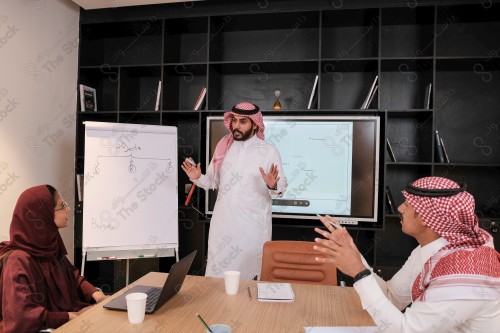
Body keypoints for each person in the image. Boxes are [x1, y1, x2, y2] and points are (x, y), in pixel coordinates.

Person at [313, 176, 500, 332]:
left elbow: (406, 330)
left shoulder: (465, 273)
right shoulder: (431, 250)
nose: (400, 208)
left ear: (429, 218)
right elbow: (391, 298)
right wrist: (353, 254)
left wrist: (359, 273)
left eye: (408, 205)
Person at [181, 102, 287, 279]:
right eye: (234, 121)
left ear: (255, 124)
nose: (236, 126)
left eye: (242, 122)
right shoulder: (224, 147)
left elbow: (280, 188)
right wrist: (197, 177)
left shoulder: (269, 152)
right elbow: (211, 183)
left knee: (249, 285)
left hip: (252, 231)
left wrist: (272, 185)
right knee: (217, 282)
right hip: (223, 228)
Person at [0, 185, 107, 333]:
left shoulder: (49, 243)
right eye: (62, 206)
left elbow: (72, 275)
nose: (67, 209)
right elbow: (23, 317)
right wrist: (69, 316)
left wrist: (97, 295)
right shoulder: (17, 261)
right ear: (42, 215)